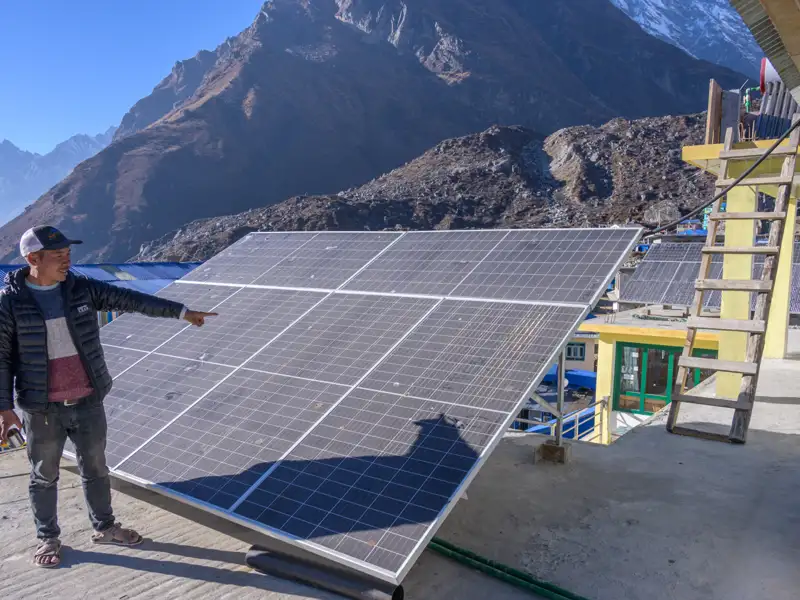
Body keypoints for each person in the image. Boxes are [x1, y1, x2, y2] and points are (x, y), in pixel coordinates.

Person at [0, 225, 218, 568]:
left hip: (88, 399)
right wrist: (4, 407)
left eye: (68, 254)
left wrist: (181, 312)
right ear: (33, 260)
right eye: (58, 256)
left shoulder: (81, 289)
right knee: (43, 476)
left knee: (96, 468)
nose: (66, 261)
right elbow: (1, 357)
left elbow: (132, 300)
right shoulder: (10, 303)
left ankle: (105, 527)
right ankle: (48, 538)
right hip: (42, 408)